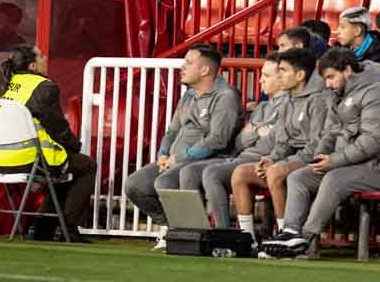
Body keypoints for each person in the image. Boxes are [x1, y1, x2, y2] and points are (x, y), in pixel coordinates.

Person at [262, 48, 380, 259]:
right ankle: (290, 233)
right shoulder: (336, 95)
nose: (327, 84)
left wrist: (334, 161)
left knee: (334, 179)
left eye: (331, 77)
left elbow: (372, 142)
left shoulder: (377, 93)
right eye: (324, 79)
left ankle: (304, 239)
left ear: (347, 70)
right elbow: (329, 133)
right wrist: (319, 158)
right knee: (298, 177)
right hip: (345, 165)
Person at [125, 45, 241, 249]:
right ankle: (175, 228)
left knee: (164, 181)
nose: (182, 67)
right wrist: (162, 154)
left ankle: (192, 235)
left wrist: (180, 158)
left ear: (205, 70)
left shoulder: (225, 96)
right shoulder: (189, 94)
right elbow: (172, 131)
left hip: (208, 159)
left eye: (189, 62)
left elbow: (217, 140)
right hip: (171, 159)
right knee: (134, 185)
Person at [0, 44, 96, 242]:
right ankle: (69, 230)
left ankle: (42, 230)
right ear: (32, 65)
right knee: (86, 165)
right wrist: (75, 145)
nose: (45, 58)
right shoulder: (43, 87)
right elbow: (57, 128)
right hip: (30, 158)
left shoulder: (4, 84)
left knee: (64, 168)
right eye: (41, 56)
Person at [229, 47, 330, 245]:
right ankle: (248, 239)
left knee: (275, 172)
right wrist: (272, 158)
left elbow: (317, 145)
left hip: (312, 161)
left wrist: (283, 163)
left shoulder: (318, 101)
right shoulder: (287, 101)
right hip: (288, 160)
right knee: (240, 173)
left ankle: (287, 238)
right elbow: (282, 142)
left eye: (283, 71)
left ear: (300, 75)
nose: (279, 75)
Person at [199, 54, 285, 230]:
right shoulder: (262, 107)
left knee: (212, 173)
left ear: (282, 78)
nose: (260, 81)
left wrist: (254, 130)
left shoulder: (289, 105)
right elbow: (240, 142)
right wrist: (259, 131)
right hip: (242, 157)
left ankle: (225, 232)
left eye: (266, 76)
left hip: (262, 161)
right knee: (191, 171)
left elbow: (271, 143)